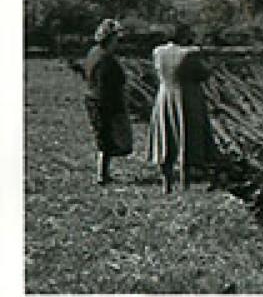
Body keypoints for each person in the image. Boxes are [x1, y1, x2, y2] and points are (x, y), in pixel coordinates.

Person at [146, 33, 216, 193]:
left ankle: (167, 184)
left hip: (164, 96)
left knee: (166, 137)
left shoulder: (158, 52)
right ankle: (185, 183)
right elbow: (203, 74)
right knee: (187, 137)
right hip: (186, 98)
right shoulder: (190, 54)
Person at [83, 18, 132, 185]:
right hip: (103, 101)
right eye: (116, 39)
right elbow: (108, 85)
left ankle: (104, 173)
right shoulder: (105, 59)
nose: (118, 42)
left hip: (93, 98)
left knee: (104, 137)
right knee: (105, 138)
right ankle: (101, 175)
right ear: (110, 39)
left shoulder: (94, 52)